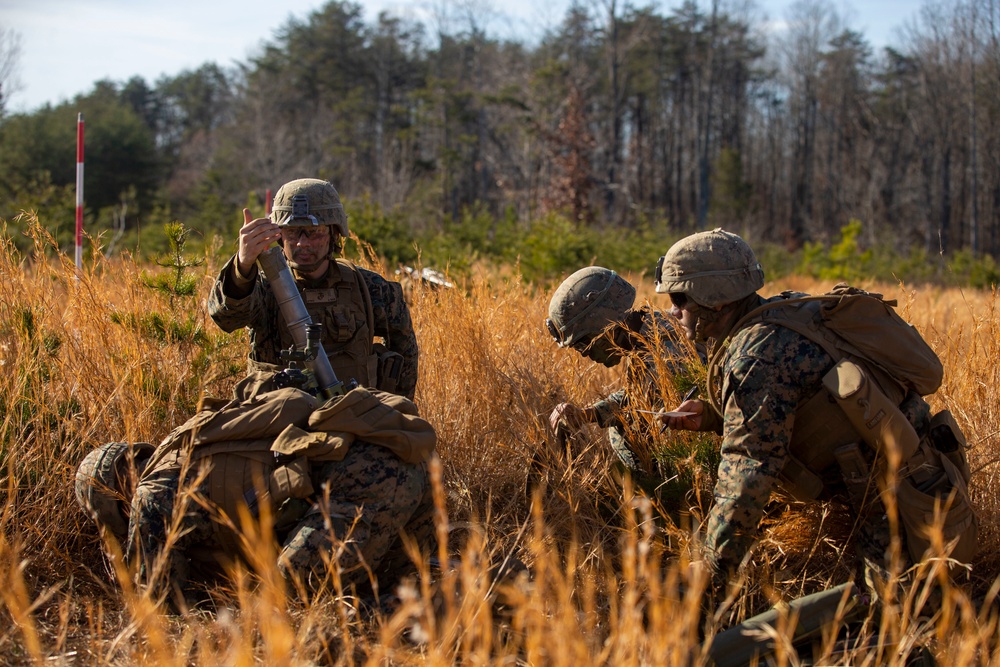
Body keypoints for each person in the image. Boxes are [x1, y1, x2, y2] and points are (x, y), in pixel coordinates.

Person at [655, 228, 976, 593]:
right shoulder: (788, 312)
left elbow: (746, 476)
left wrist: (712, 568)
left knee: (889, 627)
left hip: (906, 502)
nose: (673, 310)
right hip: (923, 476)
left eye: (679, 297)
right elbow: (804, 403)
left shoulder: (756, 358)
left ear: (713, 298)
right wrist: (715, 416)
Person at [75, 381, 438, 611]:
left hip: (364, 485)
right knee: (398, 587)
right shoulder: (191, 443)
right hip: (407, 459)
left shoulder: (149, 496)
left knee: (295, 605)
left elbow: (162, 607)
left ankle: (443, 609)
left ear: (109, 497)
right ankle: (460, 603)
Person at [208, 178, 418, 399]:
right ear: (279, 235)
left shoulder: (370, 289)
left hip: (355, 418)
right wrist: (242, 265)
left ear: (334, 234)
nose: (302, 243)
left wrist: (394, 415)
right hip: (279, 421)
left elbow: (406, 353)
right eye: (293, 232)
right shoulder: (263, 288)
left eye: (314, 231)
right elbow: (226, 319)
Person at [545, 266, 702, 490]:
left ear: (605, 325)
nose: (584, 353)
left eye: (584, 342)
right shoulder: (648, 328)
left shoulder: (664, 351)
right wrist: (585, 415)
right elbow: (638, 397)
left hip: (690, 478)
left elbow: (649, 414)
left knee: (627, 429)